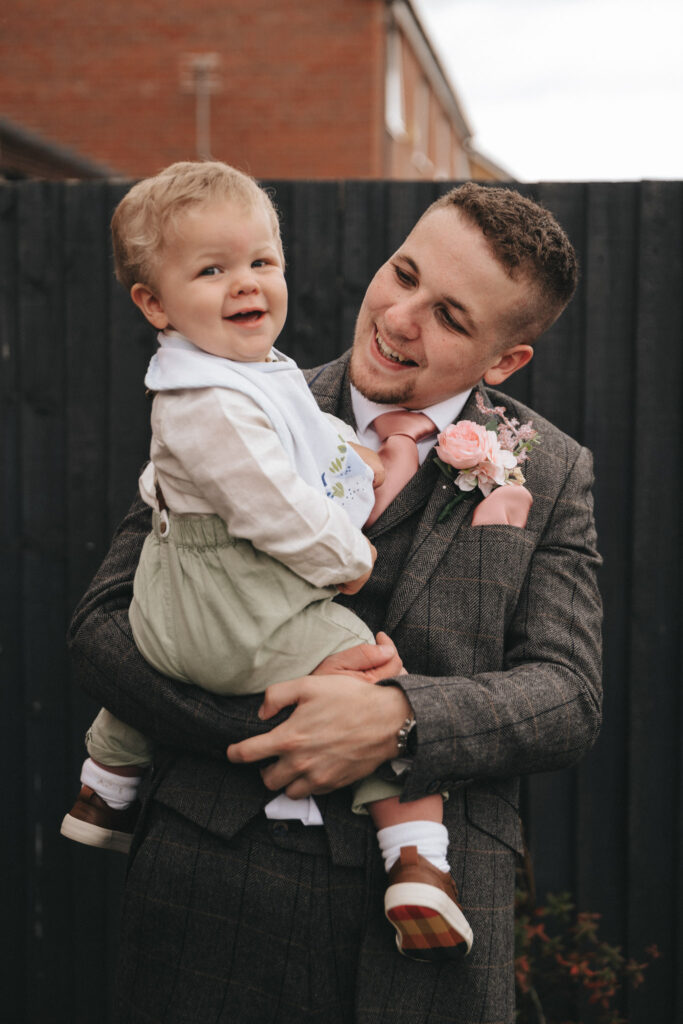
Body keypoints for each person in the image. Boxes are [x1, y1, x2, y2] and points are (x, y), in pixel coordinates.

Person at [67, 178, 602, 1024]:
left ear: (505, 361)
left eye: (451, 317)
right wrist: (279, 729)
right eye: (402, 274)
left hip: (428, 938)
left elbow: (568, 697)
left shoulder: (553, 470)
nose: (398, 317)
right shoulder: (230, 396)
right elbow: (103, 627)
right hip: (210, 893)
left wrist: (398, 723)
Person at [61, 160, 475, 961]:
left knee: (164, 647)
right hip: (229, 606)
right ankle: (417, 858)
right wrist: (346, 556)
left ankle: (104, 788)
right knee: (364, 669)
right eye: (210, 270)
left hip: (172, 605)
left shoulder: (246, 373)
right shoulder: (208, 398)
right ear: (153, 302)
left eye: (260, 262)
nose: (244, 283)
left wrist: (362, 462)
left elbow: (304, 438)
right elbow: (273, 505)